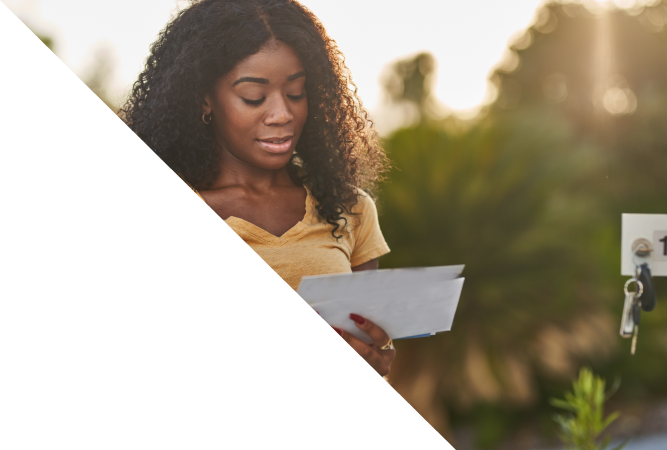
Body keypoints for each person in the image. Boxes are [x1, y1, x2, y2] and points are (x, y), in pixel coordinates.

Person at [120, 0, 395, 379]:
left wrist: (373, 358)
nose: (282, 114)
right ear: (204, 99)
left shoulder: (348, 208)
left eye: (296, 93)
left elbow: (370, 346)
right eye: (254, 97)